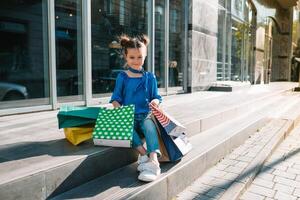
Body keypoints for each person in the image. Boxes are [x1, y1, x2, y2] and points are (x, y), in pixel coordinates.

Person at [110, 34, 162, 182]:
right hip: (128, 116)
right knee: (125, 129)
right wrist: (119, 110)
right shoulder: (122, 77)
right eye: (132, 57)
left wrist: (155, 102)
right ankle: (144, 154)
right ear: (126, 57)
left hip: (144, 115)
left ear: (145, 56)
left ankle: (153, 161)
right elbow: (115, 98)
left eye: (140, 57)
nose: (136, 61)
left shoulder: (150, 77)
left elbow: (156, 96)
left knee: (150, 127)